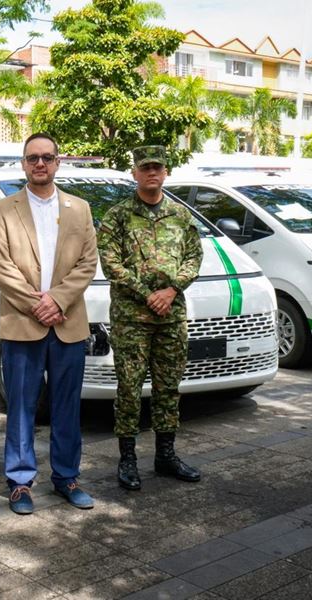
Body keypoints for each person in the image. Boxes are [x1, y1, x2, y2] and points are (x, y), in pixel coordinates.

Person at [0, 133, 98, 514]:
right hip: (23, 323)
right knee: (21, 406)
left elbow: (88, 263)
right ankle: (20, 482)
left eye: (47, 157)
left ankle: (67, 477)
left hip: (68, 322)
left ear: (57, 163)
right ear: (23, 163)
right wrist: (39, 305)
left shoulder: (80, 209)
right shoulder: (3, 210)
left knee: (67, 406)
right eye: (32, 157)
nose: (40, 163)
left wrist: (58, 300)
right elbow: (1, 267)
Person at [97, 145, 204, 492]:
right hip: (131, 318)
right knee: (129, 388)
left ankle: (165, 455)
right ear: (135, 173)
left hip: (171, 315)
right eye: (145, 168)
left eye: (157, 167)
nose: (152, 173)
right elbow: (111, 263)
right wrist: (148, 294)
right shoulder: (117, 216)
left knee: (168, 387)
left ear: (166, 172)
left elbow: (194, 256)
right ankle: (127, 459)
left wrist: (171, 290)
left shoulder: (180, 214)